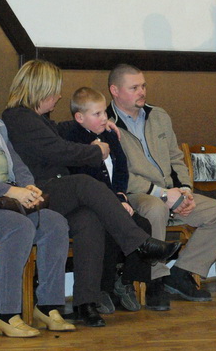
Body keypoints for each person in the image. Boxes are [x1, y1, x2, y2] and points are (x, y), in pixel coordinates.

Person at [2, 60, 179, 327]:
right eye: (54, 91)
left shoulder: (34, 120)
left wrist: (100, 124)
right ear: (41, 90)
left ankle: (85, 303)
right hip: (37, 191)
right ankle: (139, 243)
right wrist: (96, 151)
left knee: (89, 220)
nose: (58, 96)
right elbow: (59, 150)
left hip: (52, 190)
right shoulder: (18, 117)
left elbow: (61, 131)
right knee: (84, 183)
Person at [107, 64, 216, 311]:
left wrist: (185, 190)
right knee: (156, 208)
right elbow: (119, 176)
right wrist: (163, 194)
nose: (142, 92)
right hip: (135, 195)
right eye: (134, 88)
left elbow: (176, 158)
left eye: (143, 86)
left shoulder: (158, 115)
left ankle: (181, 273)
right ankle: (155, 279)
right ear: (115, 90)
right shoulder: (107, 124)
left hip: (171, 191)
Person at [0, 68, 75, 337]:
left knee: (54, 222)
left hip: (5, 201)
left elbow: (17, 163)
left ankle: (47, 306)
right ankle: (3, 312)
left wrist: (27, 186)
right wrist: (11, 191)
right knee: (19, 227)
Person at [59, 87, 151, 313]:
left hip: (115, 199)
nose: (104, 118)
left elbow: (121, 170)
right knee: (106, 231)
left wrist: (120, 196)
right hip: (92, 204)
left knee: (143, 225)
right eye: (97, 114)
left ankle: (124, 280)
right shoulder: (73, 140)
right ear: (80, 118)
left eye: (105, 113)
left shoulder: (110, 134)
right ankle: (103, 288)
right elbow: (83, 176)